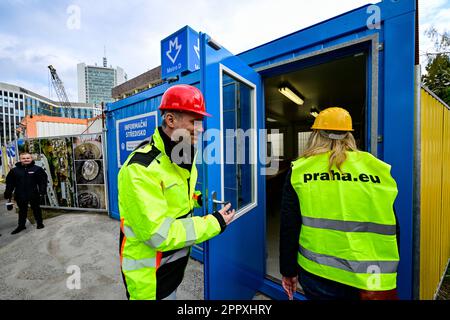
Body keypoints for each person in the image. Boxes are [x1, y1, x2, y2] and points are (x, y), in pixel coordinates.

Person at [118, 84, 236, 300]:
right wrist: (214, 222)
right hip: (149, 279)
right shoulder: (140, 169)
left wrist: (199, 199)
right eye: (194, 122)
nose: (200, 128)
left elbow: (174, 198)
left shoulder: (181, 155)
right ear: (170, 120)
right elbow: (158, 234)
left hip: (171, 268)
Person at [279, 107, 400, 300]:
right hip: (369, 272)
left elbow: (289, 226)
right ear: (349, 135)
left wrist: (288, 270)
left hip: (317, 273)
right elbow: (391, 223)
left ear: (316, 134)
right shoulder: (376, 168)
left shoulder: (300, 170)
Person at [4, 152, 48, 234]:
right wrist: (8, 193)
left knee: (36, 209)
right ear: (20, 160)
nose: (26, 160)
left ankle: (39, 223)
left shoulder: (37, 169)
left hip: (34, 194)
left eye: (28, 158)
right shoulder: (14, 171)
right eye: (23, 158)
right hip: (20, 194)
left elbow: (43, 181)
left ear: (31, 159)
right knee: (22, 210)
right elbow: (10, 183)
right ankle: (21, 225)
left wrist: (42, 192)